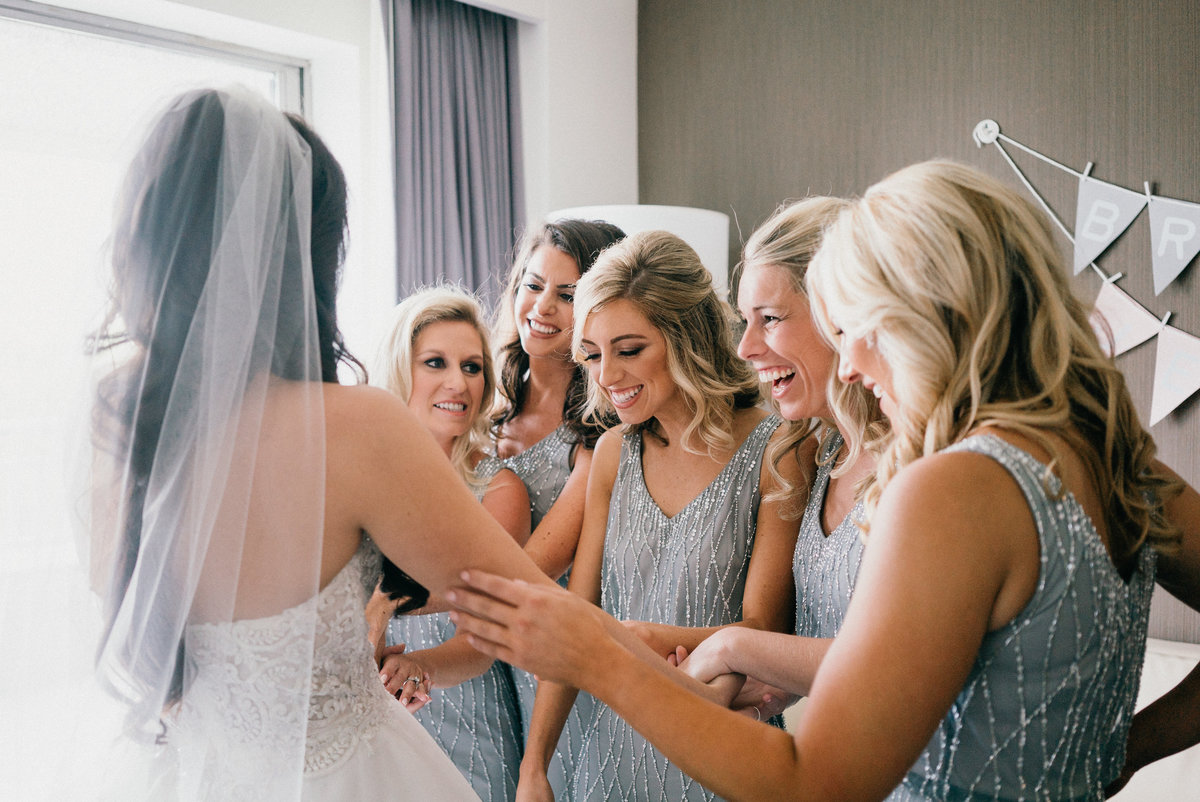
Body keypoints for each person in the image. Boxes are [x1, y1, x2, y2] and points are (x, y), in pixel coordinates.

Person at [447, 160, 1200, 801]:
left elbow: (813, 784)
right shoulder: (1114, 457)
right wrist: (1113, 753)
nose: (850, 363)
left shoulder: (956, 486)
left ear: (927, 311)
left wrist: (597, 658)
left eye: (855, 325)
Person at [82, 86, 614, 801]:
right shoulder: (353, 426)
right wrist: (684, 668)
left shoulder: (114, 417)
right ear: (310, 257)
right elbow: (527, 606)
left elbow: (140, 630)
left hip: (189, 772)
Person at [519, 230, 802, 801]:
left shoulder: (780, 449)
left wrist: (634, 637)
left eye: (629, 351)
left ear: (687, 339)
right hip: (606, 760)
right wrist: (535, 766)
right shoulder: (612, 454)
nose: (606, 377)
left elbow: (764, 631)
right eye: (593, 355)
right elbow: (579, 615)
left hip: (724, 754)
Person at [676, 196, 888, 720]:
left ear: (838, 313)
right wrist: (766, 683)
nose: (745, 347)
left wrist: (734, 648)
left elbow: (907, 664)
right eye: (744, 320)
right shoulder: (823, 455)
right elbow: (829, 645)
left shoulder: (921, 463)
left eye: (769, 319)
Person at [365, 285, 530, 801]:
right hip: (365, 729)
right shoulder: (356, 483)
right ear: (400, 369)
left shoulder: (499, 489)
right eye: (435, 362)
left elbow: (485, 635)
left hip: (469, 729)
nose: (458, 382)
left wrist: (421, 666)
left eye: (473, 366)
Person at [491, 218, 625, 794]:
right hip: (486, 664)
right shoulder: (485, 404)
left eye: (566, 295)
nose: (541, 306)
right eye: (533, 283)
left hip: (560, 672)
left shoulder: (594, 441)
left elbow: (527, 571)